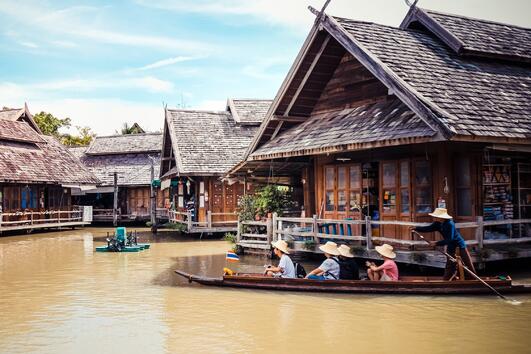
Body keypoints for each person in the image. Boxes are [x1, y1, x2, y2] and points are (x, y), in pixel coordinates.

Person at [413, 207, 476, 280]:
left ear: (441, 217)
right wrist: (416, 228)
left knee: (467, 263)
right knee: (450, 264)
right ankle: (447, 280)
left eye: (436, 216)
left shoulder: (449, 224)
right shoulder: (437, 223)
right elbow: (428, 228)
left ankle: (473, 280)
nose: (434, 217)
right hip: (451, 246)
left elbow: (450, 239)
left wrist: (436, 243)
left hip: (459, 245)